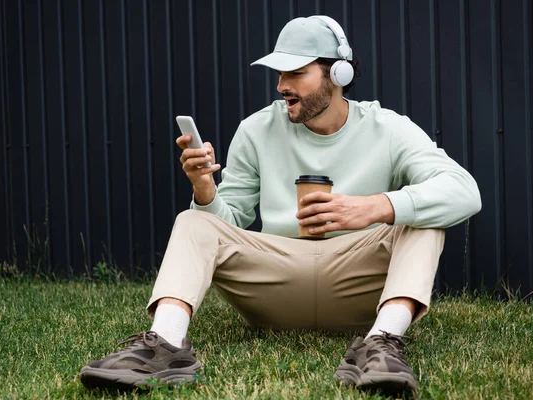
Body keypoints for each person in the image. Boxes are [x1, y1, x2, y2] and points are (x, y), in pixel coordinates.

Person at [80, 15, 481, 394]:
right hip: (275, 281)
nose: (281, 86)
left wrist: (375, 207)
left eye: (296, 73)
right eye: (279, 74)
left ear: (338, 74)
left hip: (357, 280)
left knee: (423, 217)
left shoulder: (388, 128)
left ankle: (381, 345)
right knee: (192, 221)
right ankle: (163, 347)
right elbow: (228, 223)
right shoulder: (255, 130)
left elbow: (464, 190)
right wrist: (205, 189)